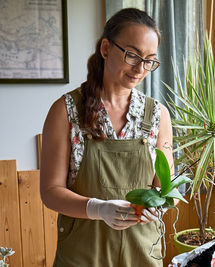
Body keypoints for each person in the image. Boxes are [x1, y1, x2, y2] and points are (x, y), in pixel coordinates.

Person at [40, 8, 173, 267]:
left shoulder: (157, 115)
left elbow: (164, 188)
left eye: (149, 60)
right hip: (83, 255)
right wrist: (98, 208)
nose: (140, 69)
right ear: (105, 48)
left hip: (142, 253)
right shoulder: (66, 111)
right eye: (132, 55)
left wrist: (157, 206)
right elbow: (50, 192)